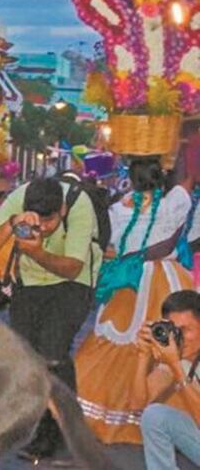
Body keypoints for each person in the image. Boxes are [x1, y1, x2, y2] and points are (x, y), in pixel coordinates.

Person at [0, 176, 102, 463]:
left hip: (74, 282)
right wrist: (11, 224)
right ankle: (49, 425)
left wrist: (36, 251)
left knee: (53, 352)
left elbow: (72, 268)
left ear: (62, 210)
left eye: (50, 222)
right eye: (38, 222)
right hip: (30, 284)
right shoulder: (20, 198)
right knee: (31, 358)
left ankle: (59, 433)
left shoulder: (79, 205)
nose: (43, 228)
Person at [76, 158, 198, 443]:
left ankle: (109, 414)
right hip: (166, 280)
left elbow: (111, 247)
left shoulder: (117, 210)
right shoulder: (174, 204)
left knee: (119, 344)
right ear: (161, 177)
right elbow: (188, 177)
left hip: (127, 282)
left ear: (130, 179)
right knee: (172, 343)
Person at [135, 290, 200, 469]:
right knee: (155, 415)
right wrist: (143, 356)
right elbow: (138, 406)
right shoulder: (179, 359)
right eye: (174, 330)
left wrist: (176, 367)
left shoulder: (177, 363)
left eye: (185, 330)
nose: (178, 338)